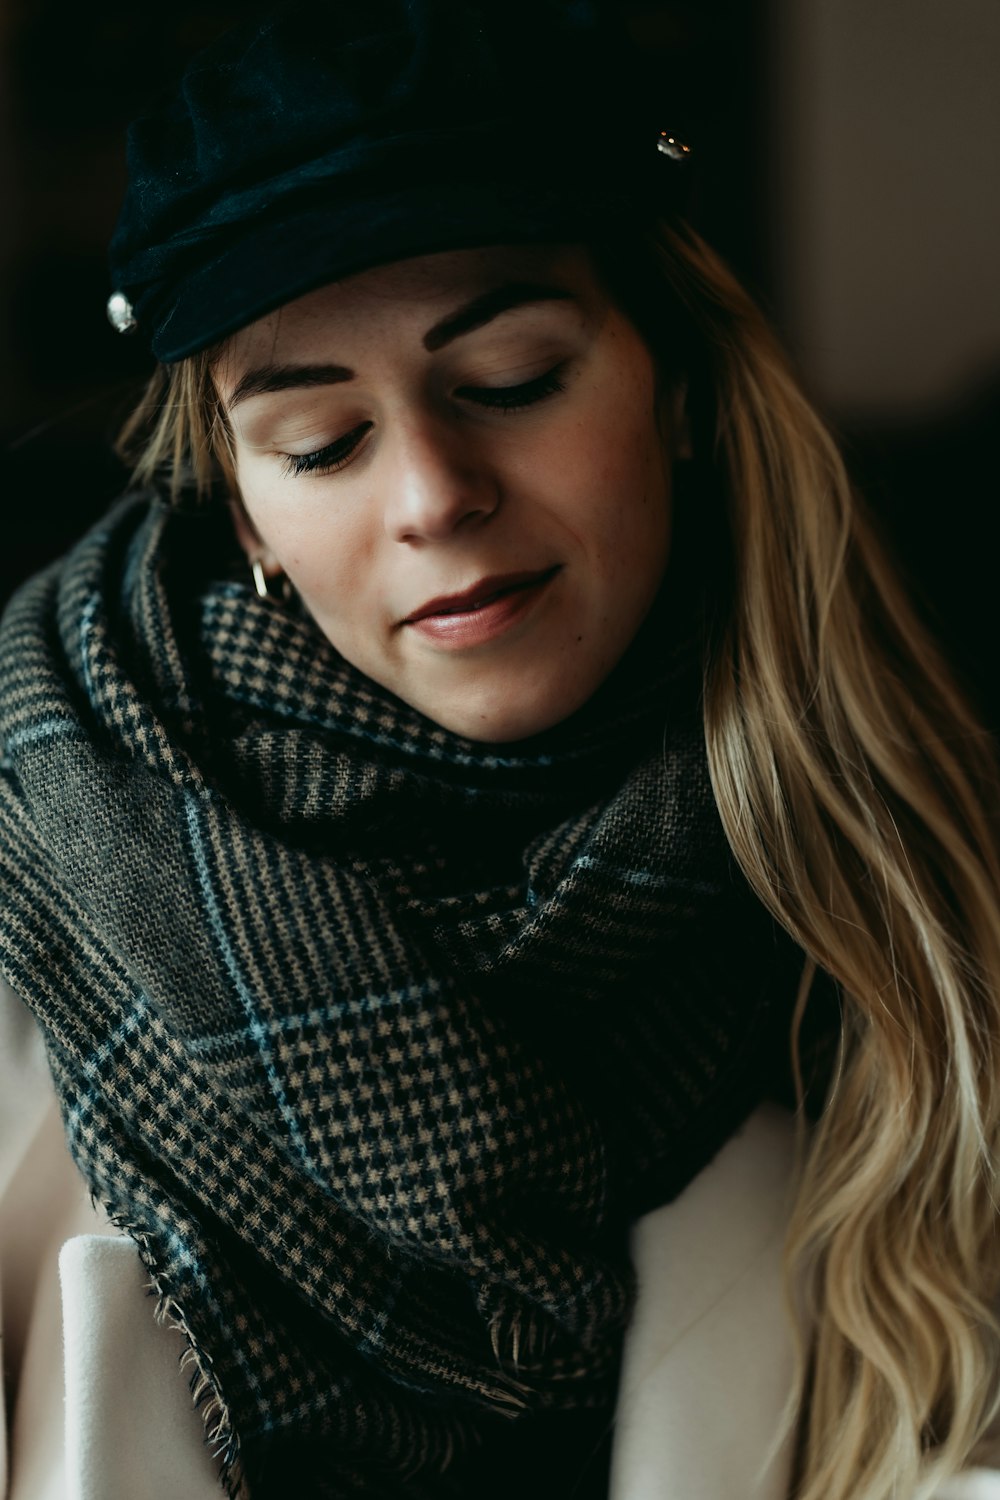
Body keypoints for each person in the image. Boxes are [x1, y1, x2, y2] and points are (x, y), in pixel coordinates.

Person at [2, 3, 1000, 1498]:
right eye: (319, 443)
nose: (431, 494)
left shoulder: (919, 898)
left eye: (515, 379)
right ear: (243, 515)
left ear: (677, 386)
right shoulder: (42, 862)